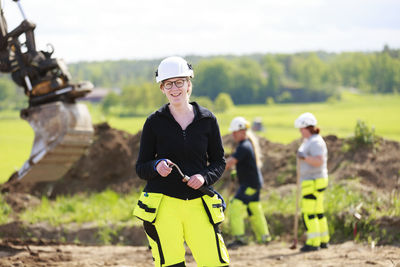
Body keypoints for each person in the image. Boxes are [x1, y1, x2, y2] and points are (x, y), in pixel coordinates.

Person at [133, 56, 230, 267]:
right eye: (169, 84)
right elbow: (141, 167)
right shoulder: (154, 122)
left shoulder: (207, 120)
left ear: (189, 84)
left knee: (216, 263)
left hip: (199, 204)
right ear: (162, 88)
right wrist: (156, 167)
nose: (174, 88)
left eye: (179, 82)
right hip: (164, 205)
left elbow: (219, 162)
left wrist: (204, 177)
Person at [225, 116, 271, 248]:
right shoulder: (247, 145)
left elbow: (230, 163)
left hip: (249, 184)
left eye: (235, 132)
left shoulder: (243, 146)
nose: (233, 134)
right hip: (254, 183)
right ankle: (264, 237)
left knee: (235, 205)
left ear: (242, 132)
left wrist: (213, 169)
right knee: (254, 209)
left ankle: (239, 238)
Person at [294, 112, 330, 252]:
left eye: (301, 129)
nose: (300, 132)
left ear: (306, 128)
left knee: (309, 213)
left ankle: (313, 242)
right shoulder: (310, 141)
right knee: (318, 212)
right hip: (314, 180)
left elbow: (319, 161)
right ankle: (323, 240)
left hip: (313, 181)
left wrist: (304, 157)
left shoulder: (315, 142)